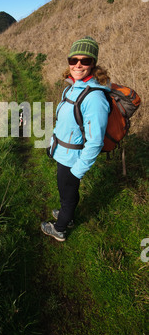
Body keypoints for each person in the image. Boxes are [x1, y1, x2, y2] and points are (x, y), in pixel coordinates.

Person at [41, 36, 111, 242]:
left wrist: (78, 171)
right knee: (66, 191)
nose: (78, 65)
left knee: (68, 190)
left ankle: (61, 228)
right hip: (62, 152)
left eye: (85, 60)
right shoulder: (73, 87)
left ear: (93, 64)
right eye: (73, 60)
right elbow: (64, 121)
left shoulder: (95, 98)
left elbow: (95, 142)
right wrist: (52, 144)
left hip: (72, 159)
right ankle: (67, 213)